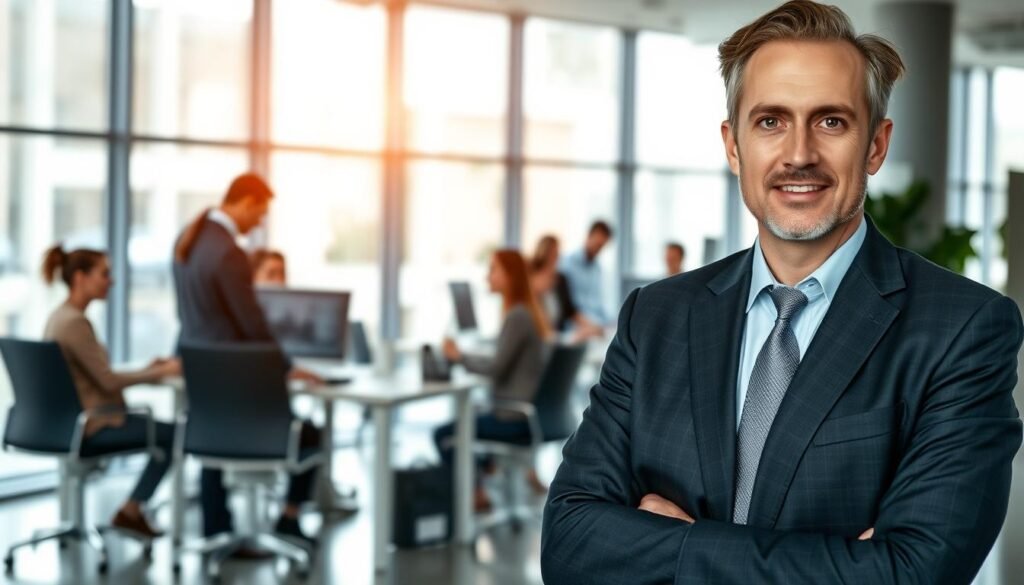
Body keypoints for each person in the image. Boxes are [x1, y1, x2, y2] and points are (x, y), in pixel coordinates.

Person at [541, 2, 1023, 584]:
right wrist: (836, 561)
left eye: (831, 122)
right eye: (770, 121)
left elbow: (913, 574)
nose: (799, 153)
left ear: (875, 145)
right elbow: (567, 543)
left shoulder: (963, 329)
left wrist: (678, 544)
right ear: (733, 144)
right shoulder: (658, 316)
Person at [172, 173, 322, 547]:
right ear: (246, 201)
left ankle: (215, 530)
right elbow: (251, 323)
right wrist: (287, 367)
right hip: (237, 377)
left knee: (212, 435)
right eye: (259, 213)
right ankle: (288, 520)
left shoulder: (188, 239)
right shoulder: (228, 252)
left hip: (199, 371)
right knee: (311, 434)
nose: (259, 223)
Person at [40, 245, 181, 539]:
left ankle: (128, 512)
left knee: (165, 431)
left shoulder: (60, 316)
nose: (112, 281)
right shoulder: (75, 323)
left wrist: (148, 369)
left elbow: (96, 375)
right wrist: (159, 372)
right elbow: (107, 382)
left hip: (64, 424)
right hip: (93, 425)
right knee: (175, 435)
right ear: (80, 277)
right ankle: (131, 510)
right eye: (105, 273)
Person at [434, 250, 551, 511]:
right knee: (468, 422)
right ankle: (483, 473)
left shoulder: (518, 316)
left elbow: (497, 368)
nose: (488, 276)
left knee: (443, 434)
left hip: (512, 417)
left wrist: (458, 356)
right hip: (524, 414)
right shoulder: (526, 313)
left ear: (510, 277)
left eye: (493, 269)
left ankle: (476, 493)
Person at [530, 235, 602, 341]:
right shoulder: (530, 279)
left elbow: (571, 311)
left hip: (558, 337)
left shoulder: (561, 279)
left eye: (557, 253)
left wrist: (592, 327)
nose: (555, 256)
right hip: (539, 339)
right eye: (552, 252)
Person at [559, 221, 614, 326]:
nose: (599, 250)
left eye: (602, 246)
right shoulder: (566, 264)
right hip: (575, 327)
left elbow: (598, 305)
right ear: (589, 236)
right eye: (597, 245)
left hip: (596, 327)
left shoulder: (597, 268)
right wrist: (591, 325)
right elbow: (566, 307)